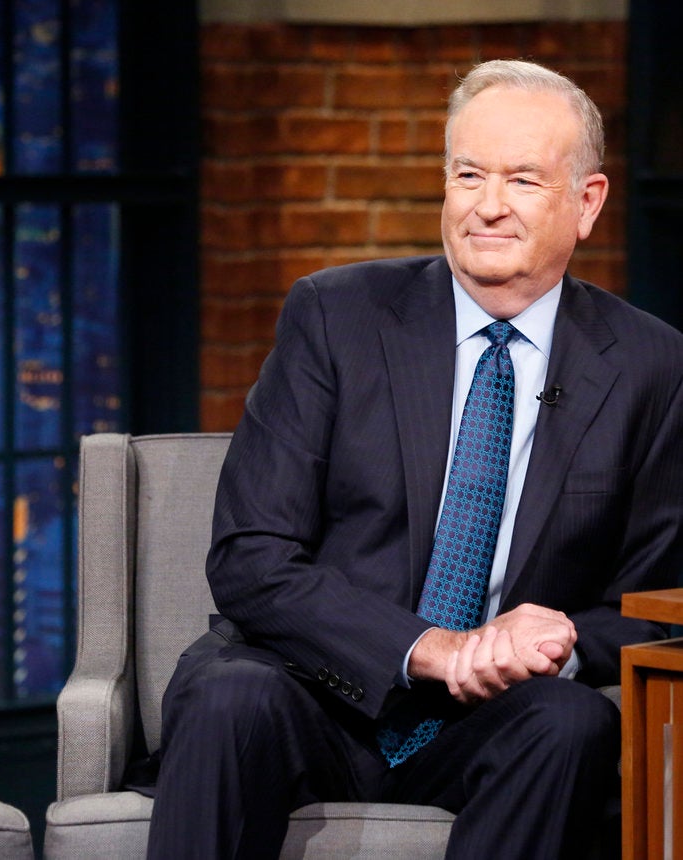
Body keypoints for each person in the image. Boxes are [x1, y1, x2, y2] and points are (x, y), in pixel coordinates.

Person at [144, 59, 683, 859]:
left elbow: (655, 603)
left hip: (489, 718)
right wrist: (431, 648)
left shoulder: (650, 364)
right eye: (468, 174)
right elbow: (251, 556)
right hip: (311, 690)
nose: (488, 205)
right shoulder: (336, 316)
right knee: (229, 696)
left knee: (571, 724)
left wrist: (560, 638)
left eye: (523, 180)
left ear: (587, 202)